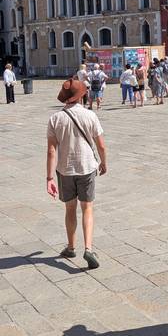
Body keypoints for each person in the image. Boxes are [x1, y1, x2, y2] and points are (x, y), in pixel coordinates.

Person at [46, 78, 107, 270]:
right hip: (87, 166)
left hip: (65, 170)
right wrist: (103, 163)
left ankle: (71, 246)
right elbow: (101, 145)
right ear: (81, 96)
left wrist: (49, 178)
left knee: (70, 209)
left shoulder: (55, 118)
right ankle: (88, 249)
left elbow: (51, 151)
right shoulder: (90, 116)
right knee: (87, 208)